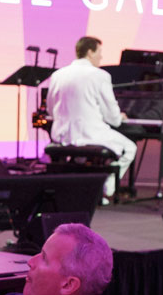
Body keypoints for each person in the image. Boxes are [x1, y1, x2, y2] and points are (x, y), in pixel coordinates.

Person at [42, 36, 134, 200]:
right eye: (99, 52)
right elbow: (112, 117)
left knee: (80, 157)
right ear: (90, 52)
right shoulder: (100, 76)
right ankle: (105, 189)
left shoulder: (57, 75)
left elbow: (50, 109)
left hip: (62, 134)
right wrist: (118, 117)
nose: (101, 57)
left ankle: (78, 189)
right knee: (129, 148)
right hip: (90, 133)